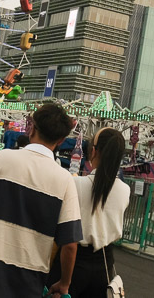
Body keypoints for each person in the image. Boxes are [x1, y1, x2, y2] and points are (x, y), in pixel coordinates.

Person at [0, 103, 82, 297]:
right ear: (61, 140)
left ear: (32, 128)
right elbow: (69, 244)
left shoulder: (1, 159)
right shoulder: (65, 180)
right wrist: (64, 283)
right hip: (27, 284)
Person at [46, 127, 130, 298]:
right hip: (104, 265)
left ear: (93, 151)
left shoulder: (76, 184)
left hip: (72, 264)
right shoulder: (125, 190)